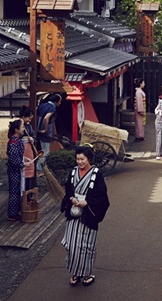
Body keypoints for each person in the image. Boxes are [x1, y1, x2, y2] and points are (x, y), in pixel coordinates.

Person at [61, 145, 110, 286]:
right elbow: (68, 189)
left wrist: (86, 202)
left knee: (86, 245)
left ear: (89, 158)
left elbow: (101, 196)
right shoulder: (73, 172)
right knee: (71, 244)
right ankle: (75, 272)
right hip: (74, 213)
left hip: (88, 213)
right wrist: (71, 199)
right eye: (78, 159)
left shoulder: (96, 174)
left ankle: (87, 273)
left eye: (82, 159)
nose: (80, 162)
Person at [6, 120, 29, 221]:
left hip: (18, 170)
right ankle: (12, 213)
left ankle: (18, 210)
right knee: (14, 192)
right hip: (14, 171)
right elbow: (13, 159)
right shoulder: (13, 142)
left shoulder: (17, 140)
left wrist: (24, 159)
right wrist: (23, 164)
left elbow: (18, 156)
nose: (24, 129)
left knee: (19, 190)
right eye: (22, 127)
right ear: (16, 129)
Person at [36, 93, 61, 174]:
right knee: (45, 151)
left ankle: (41, 167)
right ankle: (39, 169)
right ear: (56, 101)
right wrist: (45, 129)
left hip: (38, 129)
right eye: (59, 102)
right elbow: (46, 118)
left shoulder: (42, 105)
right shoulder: (52, 108)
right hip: (45, 133)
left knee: (42, 149)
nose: (60, 103)